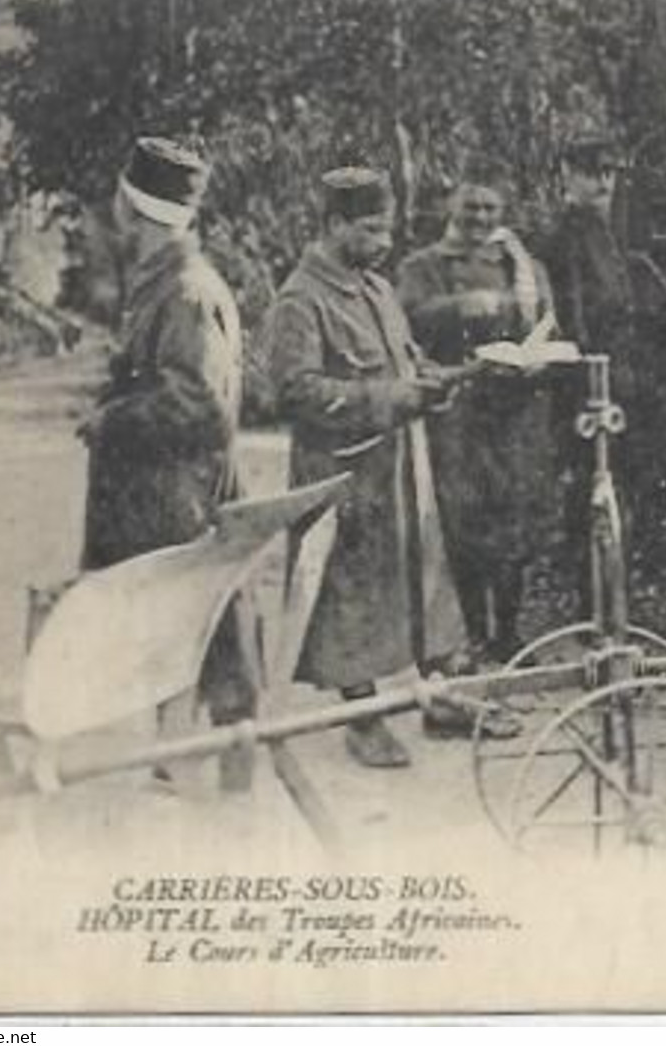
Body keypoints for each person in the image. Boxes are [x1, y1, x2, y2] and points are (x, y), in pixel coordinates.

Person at [267, 166, 477, 768]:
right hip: (344, 472)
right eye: (370, 228)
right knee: (351, 595)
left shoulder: (377, 289)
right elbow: (295, 392)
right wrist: (391, 399)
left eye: (387, 228)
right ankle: (362, 718)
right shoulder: (300, 300)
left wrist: (434, 379)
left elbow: (403, 358)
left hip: (400, 466)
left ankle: (437, 699)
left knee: (419, 580)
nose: (385, 241)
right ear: (334, 224)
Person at [79, 137, 260, 793]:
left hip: (182, 491)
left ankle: (231, 778)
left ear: (131, 206)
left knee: (207, 628)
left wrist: (111, 420)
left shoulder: (185, 290)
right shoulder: (163, 282)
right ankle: (181, 758)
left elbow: (200, 406)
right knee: (180, 625)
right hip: (160, 488)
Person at [397, 166, 558, 665]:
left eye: (490, 209)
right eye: (471, 207)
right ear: (452, 206)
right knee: (462, 522)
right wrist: (460, 306)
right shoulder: (424, 264)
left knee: (512, 520)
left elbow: (548, 320)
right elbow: (404, 320)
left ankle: (507, 633)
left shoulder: (522, 267)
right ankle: (467, 631)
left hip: (513, 411)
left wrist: (537, 354)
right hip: (458, 411)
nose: (480, 218)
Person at [543, 133, 666, 598]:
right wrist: (591, 381)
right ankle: (593, 603)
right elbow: (573, 320)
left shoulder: (610, 232)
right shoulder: (564, 238)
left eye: (609, 172)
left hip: (628, 380)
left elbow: (637, 302)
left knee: (622, 490)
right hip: (592, 386)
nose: (602, 181)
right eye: (590, 171)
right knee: (592, 492)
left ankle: (614, 595)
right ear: (567, 175)